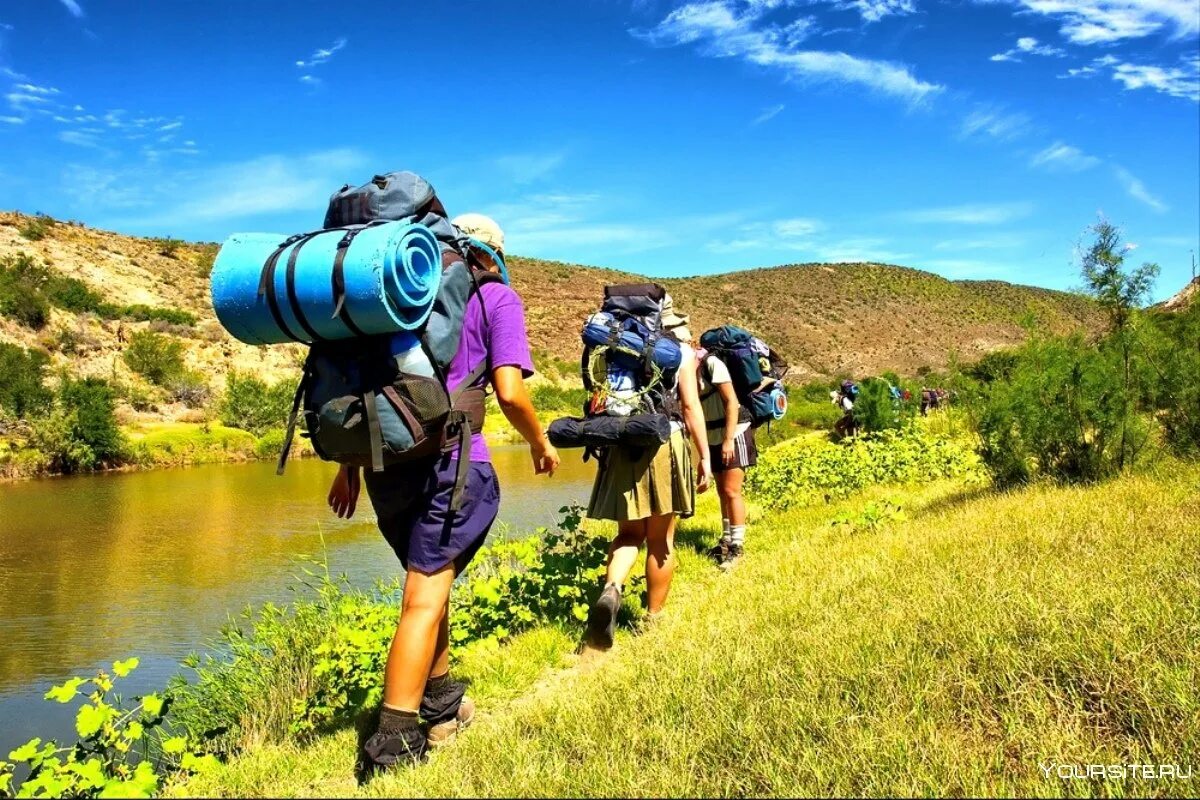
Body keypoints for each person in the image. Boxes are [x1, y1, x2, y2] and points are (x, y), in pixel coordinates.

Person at [326, 213, 561, 768]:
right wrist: (539, 442)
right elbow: (508, 391)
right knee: (423, 599)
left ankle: (443, 702)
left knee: (432, 590)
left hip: (387, 468)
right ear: (493, 254)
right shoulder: (497, 297)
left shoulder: (391, 299)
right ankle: (393, 745)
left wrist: (349, 467)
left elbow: (360, 393)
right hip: (455, 467)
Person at [582, 294, 711, 649]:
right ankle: (653, 620)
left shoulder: (611, 346)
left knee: (627, 535)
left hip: (621, 441)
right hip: (664, 444)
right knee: (660, 539)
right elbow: (689, 407)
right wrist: (705, 458)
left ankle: (612, 589)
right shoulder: (680, 352)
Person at [698, 344, 756, 569]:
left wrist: (729, 439)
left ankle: (737, 547)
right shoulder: (685, 370)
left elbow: (732, 401)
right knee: (722, 491)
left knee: (732, 491)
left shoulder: (712, 364)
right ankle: (726, 540)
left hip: (735, 431)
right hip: (712, 434)